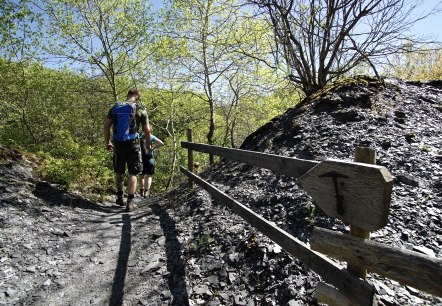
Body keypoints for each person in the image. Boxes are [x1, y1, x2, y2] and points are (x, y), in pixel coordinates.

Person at [103, 89, 151, 212]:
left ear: (128, 96)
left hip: (118, 143)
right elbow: (147, 131)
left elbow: (106, 126)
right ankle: (130, 202)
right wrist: (147, 145)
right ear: (137, 97)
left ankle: (119, 197)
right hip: (133, 144)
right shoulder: (140, 109)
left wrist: (107, 142)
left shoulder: (115, 107)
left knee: (119, 171)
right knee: (133, 173)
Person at [139, 133, 164, 198]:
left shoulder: (139, 136)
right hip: (149, 158)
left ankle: (141, 191)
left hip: (140, 158)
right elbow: (161, 143)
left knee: (141, 176)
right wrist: (153, 148)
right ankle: (146, 192)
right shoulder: (151, 136)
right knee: (149, 175)